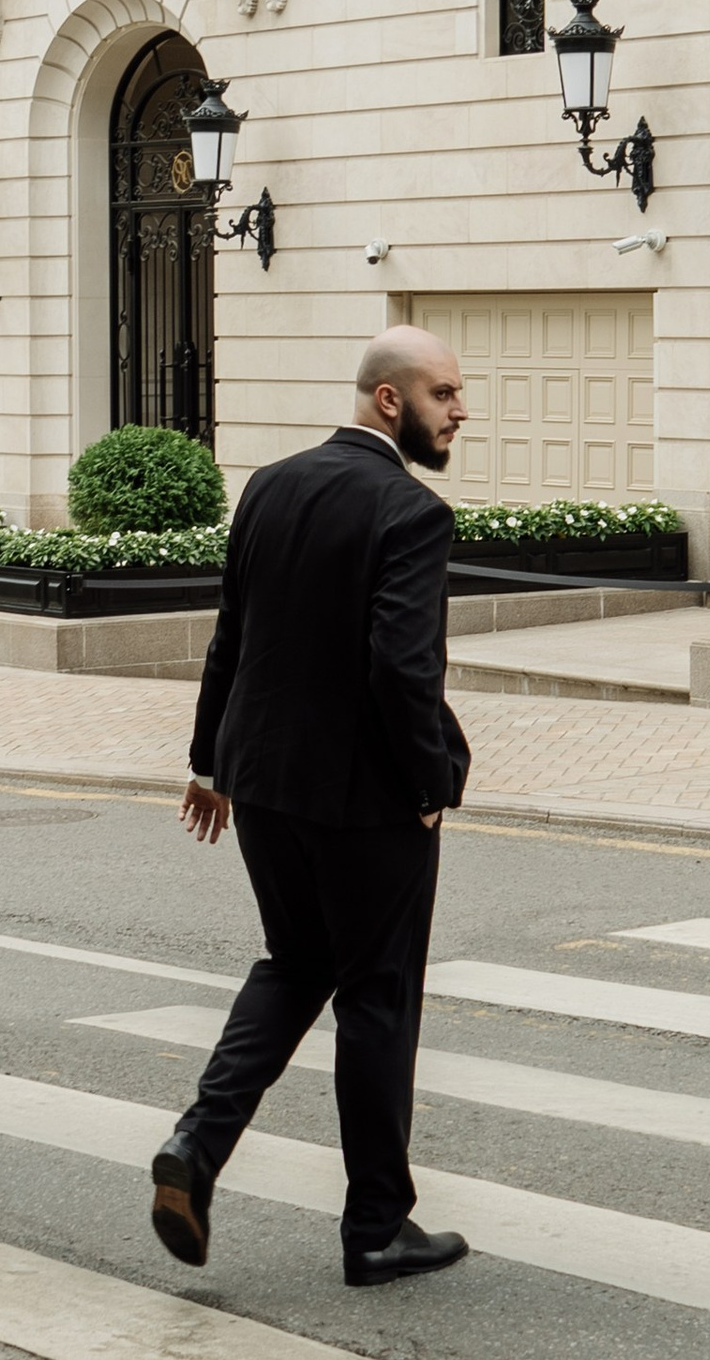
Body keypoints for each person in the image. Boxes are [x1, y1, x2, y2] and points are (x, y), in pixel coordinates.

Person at [150, 327, 474, 1289]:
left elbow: (231, 635)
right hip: (365, 801)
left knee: (296, 964)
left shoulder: (269, 484)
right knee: (377, 998)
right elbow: (400, 667)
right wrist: (429, 786)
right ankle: (376, 1228)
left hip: (263, 785)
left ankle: (197, 1149)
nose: (460, 412)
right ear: (389, 400)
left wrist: (210, 760)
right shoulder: (409, 512)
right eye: (445, 394)